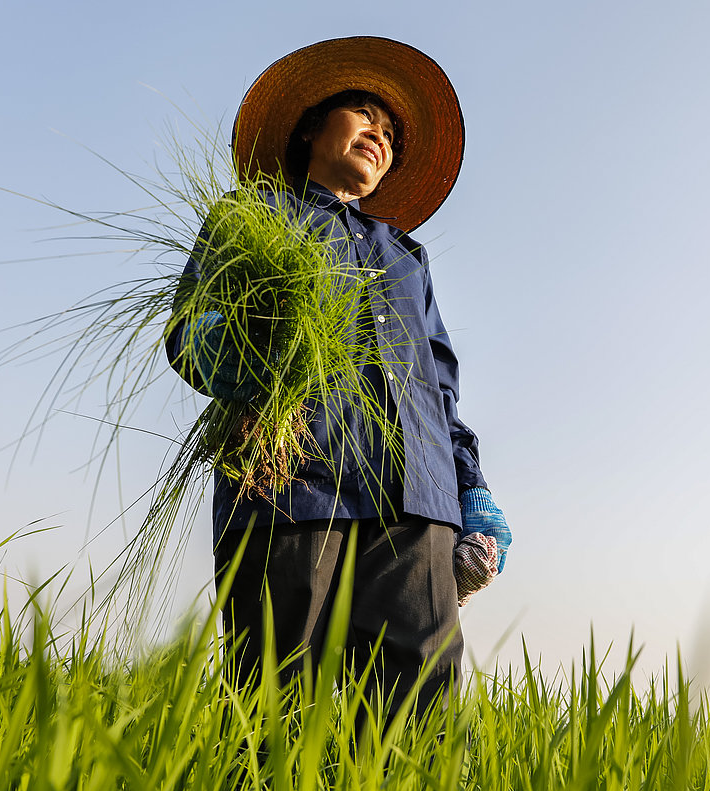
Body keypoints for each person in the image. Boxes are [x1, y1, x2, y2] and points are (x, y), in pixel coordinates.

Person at [165, 36, 511, 719]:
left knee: (416, 722)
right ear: (309, 129)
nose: (379, 135)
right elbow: (190, 336)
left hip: (417, 509)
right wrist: (256, 361)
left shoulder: (407, 260)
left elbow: (438, 393)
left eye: (391, 134)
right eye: (363, 114)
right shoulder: (253, 218)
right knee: (273, 709)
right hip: (290, 487)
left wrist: (472, 495)